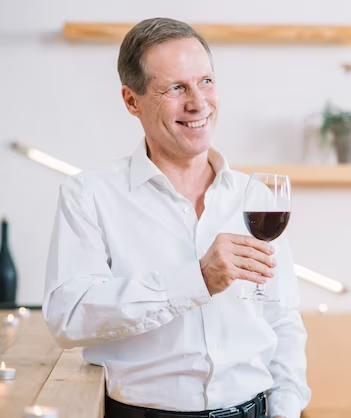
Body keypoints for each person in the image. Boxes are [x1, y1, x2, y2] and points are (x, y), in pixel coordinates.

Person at [43, 17, 311, 418]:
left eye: (205, 81)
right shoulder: (89, 196)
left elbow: (283, 319)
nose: (198, 103)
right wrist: (195, 280)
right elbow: (69, 317)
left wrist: (286, 409)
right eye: (175, 88)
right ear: (131, 101)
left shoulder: (254, 198)